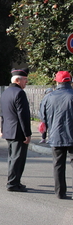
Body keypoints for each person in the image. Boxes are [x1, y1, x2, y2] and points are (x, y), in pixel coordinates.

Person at [40, 71, 73, 199]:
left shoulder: (48, 97)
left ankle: (60, 192)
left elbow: (43, 118)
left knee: (58, 165)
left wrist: (45, 133)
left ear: (56, 81)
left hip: (56, 136)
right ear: (70, 80)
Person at [0, 68, 32, 192]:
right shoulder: (19, 93)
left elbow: (2, 114)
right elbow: (23, 116)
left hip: (9, 131)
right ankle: (13, 184)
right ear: (18, 80)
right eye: (25, 80)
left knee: (12, 158)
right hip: (18, 132)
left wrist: (3, 129)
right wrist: (27, 134)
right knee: (18, 159)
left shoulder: (6, 92)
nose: (26, 82)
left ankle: (15, 181)